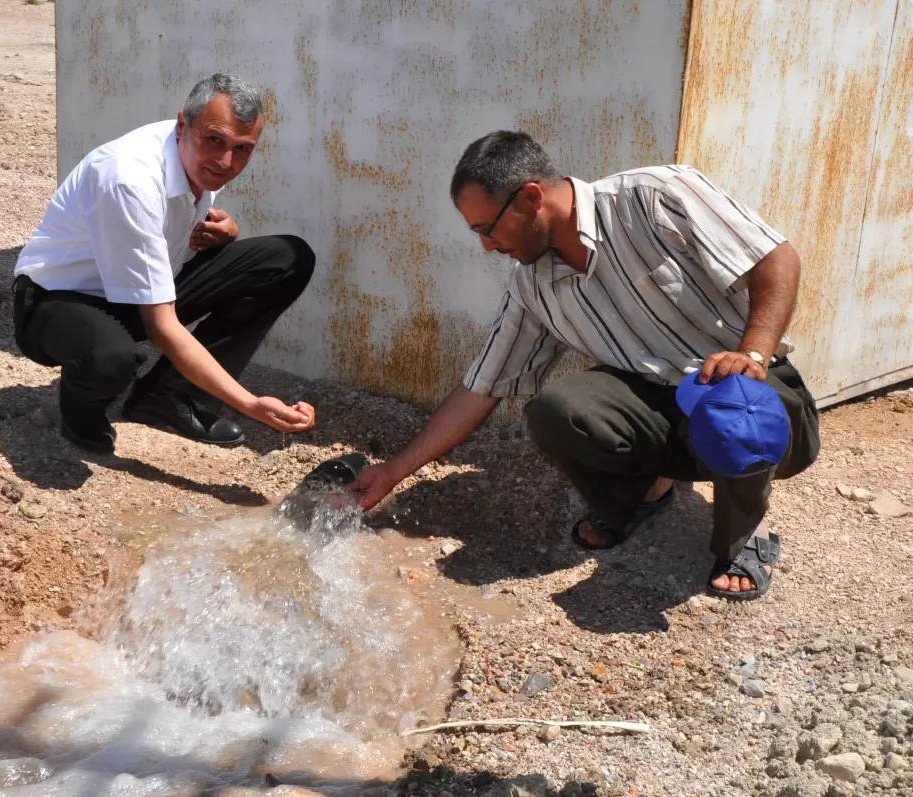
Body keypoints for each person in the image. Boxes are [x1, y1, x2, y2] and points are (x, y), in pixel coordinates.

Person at [350, 131, 820, 602]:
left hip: (750, 395)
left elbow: (776, 259)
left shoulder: (655, 195)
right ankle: (641, 499)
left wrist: (753, 353)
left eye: (486, 228)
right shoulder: (532, 285)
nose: (487, 247)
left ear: (531, 198)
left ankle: (741, 543)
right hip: (659, 408)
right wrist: (393, 471)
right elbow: (481, 386)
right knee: (556, 409)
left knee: (735, 413)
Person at [11, 73, 316, 453]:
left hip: (139, 290)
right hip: (58, 300)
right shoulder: (129, 180)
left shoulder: (196, 151)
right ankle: (81, 418)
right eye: (216, 141)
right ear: (181, 124)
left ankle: (167, 398)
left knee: (286, 259)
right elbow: (161, 327)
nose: (226, 161)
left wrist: (224, 231)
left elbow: (173, 224)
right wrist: (250, 404)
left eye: (243, 148)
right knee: (113, 358)